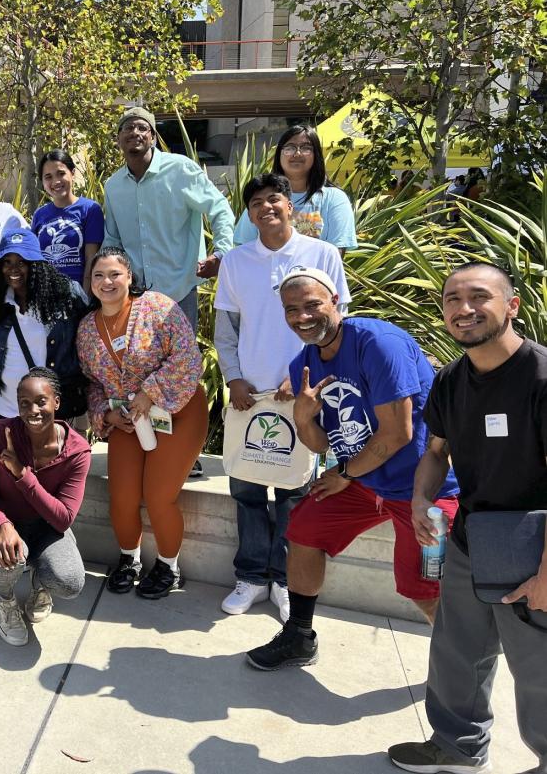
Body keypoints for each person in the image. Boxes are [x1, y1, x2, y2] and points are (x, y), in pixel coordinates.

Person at [245, 268, 459, 671]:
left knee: (426, 586)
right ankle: (299, 636)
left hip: (424, 488)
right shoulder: (304, 365)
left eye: (312, 305)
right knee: (304, 529)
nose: (302, 317)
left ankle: (459, 661)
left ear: (335, 301)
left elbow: (398, 432)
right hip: (361, 479)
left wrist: (345, 472)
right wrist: (304, 418)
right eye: (292, 310)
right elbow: (322, 443)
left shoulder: (378, 343)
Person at [388, 262, 547, 774]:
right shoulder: (452, 380)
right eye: (452, 299)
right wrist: (419, 499)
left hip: (534, 549)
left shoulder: (541, 376)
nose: (464, 308)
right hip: (469, 540)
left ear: (511, 305)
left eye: (479, 296)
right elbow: (436, 450)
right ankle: (457, 748)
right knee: (457, 652)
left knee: (540, 672)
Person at [215, 175, 350, 621]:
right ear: (248, 213)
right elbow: (226, 330)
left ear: (290, 205)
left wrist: (304, 374)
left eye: (274, 199)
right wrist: (233, 377)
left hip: (306, 395)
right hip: (250, 398)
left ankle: (284, 579)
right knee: (247, 489)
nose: (266, 208)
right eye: (256, 203)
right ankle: (252, 576)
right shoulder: (236, 261)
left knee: (295, 492)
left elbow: (336, 322)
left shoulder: (322, 254)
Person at [76, 247, 208, 599]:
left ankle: (169, 566)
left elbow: (188, 358)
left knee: (158, 495)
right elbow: (91, 382)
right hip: (129, 421)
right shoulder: (87, 329)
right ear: (90, 283)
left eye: (114, 274)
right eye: (99, 276)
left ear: (129, 276)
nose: (107, 282)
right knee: (121, 496)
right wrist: (105, 413)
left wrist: (150, 393)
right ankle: (129, 559)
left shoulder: (159, 307)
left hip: (178, 413)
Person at [0, 368, 90, 646]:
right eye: (24, 403)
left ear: (56, 403)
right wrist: (2, 524)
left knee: (70, 581)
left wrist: (22, 476)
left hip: (47, 528)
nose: (32, 410)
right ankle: (6, 600)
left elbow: (63, 519)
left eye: (41, 401)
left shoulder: (77, 452)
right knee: (9, 556)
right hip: (0, 524)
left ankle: (41, 587)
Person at [101, 106, 233, 331]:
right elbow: (113, 240)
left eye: (143, 127)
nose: (135, 132)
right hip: (136, 295)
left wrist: (221, 252)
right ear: (118, 139)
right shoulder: (113, 186)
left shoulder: (180, 169)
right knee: (141, 363)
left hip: (179, 292)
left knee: (182, 363)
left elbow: (219, 208)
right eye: (128, 128)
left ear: (152, 137)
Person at [0, 229, 88, 421]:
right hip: (7, 408)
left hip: (51, 409)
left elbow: (89, 334)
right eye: (7, 262)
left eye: (22, 262)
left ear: (36, 264)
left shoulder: (66, 295)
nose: (13, 269)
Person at [233, 125, 358, 254]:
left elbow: (336, 254)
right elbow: (245, 250)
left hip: (316, 274)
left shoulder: (334, 198)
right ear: (279, 154)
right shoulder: (262, 199)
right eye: (289, 148)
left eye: (306, 148)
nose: (297, 153)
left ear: (316, 155)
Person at [31, 149, 104, 290]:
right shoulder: (39, 214)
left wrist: (86, 299)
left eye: (61, 173)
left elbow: (91, 260)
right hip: (46, 295)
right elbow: (35, 261)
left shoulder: (90, 209)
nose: (56, 181)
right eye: (48, 177)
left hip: (77, 294)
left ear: (73, 173)